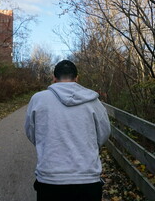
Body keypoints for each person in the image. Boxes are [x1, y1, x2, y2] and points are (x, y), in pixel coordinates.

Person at [25, 60, 111, 201]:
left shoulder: (38, 99)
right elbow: (104, 132)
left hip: (49, 179)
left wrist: (46, 145)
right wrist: (88, 147)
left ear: (54, 78)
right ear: (76, 79)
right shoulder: (93, 101)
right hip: (87, 179)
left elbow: (31, 131)